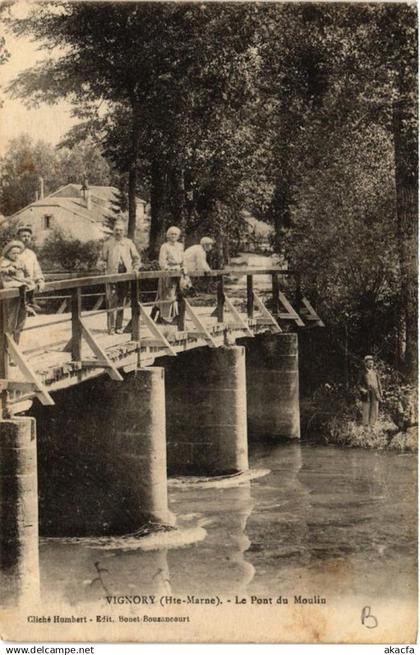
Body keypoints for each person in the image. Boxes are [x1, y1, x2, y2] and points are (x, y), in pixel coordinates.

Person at [99, 220, 140, 334]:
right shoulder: (108, 244)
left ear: (124, 232)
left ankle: (118, 326)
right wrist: (102, 265)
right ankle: (111, 327)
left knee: (121, 301)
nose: (118, 232)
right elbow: (102, 259)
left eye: (121, 230)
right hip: (112, 275)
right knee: (111, 300)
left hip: (125, 275)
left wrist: (135, 269)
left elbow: (136, 258)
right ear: (113, 231)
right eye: (116, 230)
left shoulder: (129, 243)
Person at [0, 240, 35, 344]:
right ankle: (8, 346)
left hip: (20, 281)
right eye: (13, 253)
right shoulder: (4, 261)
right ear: (8, 253)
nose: (16, 255)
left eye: (17, 253)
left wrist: (28, 277)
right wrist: (9, 269)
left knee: (29, 285)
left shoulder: (20, 261)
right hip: (10, 282)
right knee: (10, 319)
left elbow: (27, 272)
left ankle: (29, 301)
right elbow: (2, 270)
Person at [156, 226, 184, 324]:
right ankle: (165, 317)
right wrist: (168, 269)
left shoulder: (180, 246)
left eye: (175, 234)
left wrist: (183, 267)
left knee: (178, 294)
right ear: (168, 235)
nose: (173, 236)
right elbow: (162, 262)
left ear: (178, 236)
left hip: (178, 271)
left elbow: (183, 259)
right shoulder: (165, 246)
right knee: (167, 294)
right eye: (171, 234)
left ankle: (176, 316)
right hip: (168, 272)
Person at [17, 224, 45, 312]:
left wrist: (40, 280)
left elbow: (37, 270)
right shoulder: (13, 252)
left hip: (28, 290)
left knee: (25, 317)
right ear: (18, 237)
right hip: (15, 290)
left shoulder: (31, 254)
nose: (26, 238)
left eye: (28, 236)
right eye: (24, 236)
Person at [360, 355, 383, 427]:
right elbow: (358, 384)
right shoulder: (362, 373)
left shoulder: (375, 372)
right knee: (366, 410)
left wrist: (380, 392)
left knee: (375, 410)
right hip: (367, 394)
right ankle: (365, 427)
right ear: (365, 363)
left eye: (372, 363)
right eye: (369, 363)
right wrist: (363, 390)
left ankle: (372, 425)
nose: (371, 365)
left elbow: (379, 383)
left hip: (375, 393)